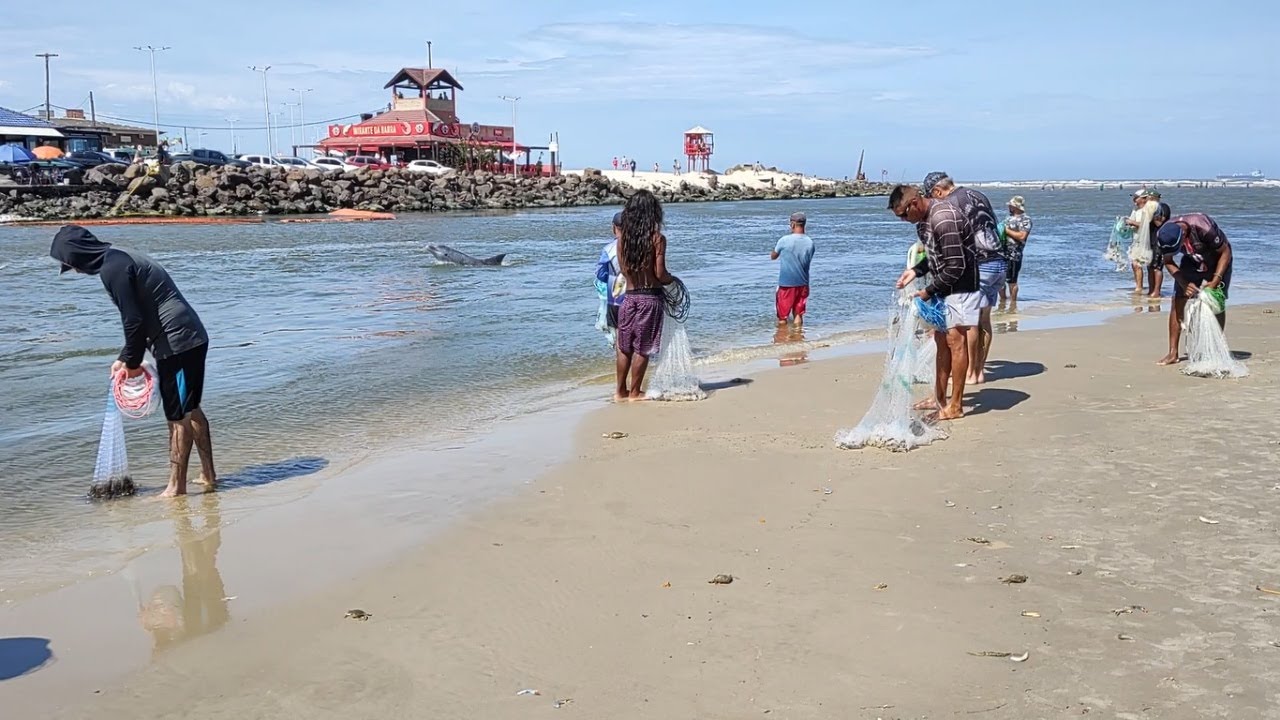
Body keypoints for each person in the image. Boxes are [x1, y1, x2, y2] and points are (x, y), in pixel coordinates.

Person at [50, 225, 216, 497]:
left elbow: (133, 320)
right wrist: (124, 357)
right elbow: (141, 316)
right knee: (190, 408)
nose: (75, 271)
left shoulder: (112, 269)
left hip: (176, 343)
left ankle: (176, 488)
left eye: (71, 265)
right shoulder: (118, 257)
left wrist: (132, 363)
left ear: (78, 256)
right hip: (190, 336)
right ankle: (208, 474)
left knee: (177, 417)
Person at [890, 185, 979, 421]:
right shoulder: (922, 223)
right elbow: (934, 256)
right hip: (943, 283)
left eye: (903, 215)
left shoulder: (943, 218)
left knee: (955, 341)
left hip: (962, 285)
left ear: (915, 203)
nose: (903, 220)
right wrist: (915, 271)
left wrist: (928, 291)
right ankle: (939, 398)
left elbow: (956, 265)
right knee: (941, 340)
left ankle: (956, 405)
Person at [923, 172, 1001, 384]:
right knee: (984, 319)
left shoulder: (950, 203)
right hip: (997, 262)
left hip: (978, 264)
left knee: (969, 321)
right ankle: (979, 371)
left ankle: (969, 373)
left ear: (938, 191)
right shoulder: (978, 195)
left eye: (931, 196)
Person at [614, 190, 673, 401]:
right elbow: (660, 274)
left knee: (624, 347)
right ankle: (635, 392)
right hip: (650, 298)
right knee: (643, 347)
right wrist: (674, 281)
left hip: (629, 298)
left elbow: (624, 271)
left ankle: (620, 392)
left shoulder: (622, 240)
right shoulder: (657, 239)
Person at [1155, 213, 1233, 366]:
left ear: (1184, 234)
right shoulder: (1163, 235)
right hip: (1191, 260)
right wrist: (1183, 282)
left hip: (1217, 258)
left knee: (1216, 301)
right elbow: (1168, 261)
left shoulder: (1203, 227)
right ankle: (1173, 353)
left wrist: (1216, 280)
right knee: (1177, 301)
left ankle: (1214, 347)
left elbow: (1225, 252)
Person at [771, 211, 815, 328]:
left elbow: (773, 256)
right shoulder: (810, 242)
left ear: (792, 224)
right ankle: (798, 335)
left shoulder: (784, 240)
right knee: (798, 314)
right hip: (803, 283)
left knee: (782, 316)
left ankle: (782, 336)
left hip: (786, 283)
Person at [594, 212, 626, 345]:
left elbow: (600, 273)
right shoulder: (641, 245)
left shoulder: (609, 249)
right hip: (638, 290)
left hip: (617, 289)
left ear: (614, 227)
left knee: (618, 334)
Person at [999, 196, 1033, 313]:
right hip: (1001, 253)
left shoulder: (1026, 220)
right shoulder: (1008, 219)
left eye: (1010, 205)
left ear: (1015, 206)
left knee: (1012, 281)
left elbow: (1022, 236)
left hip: (1014, 254)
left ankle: (1013, 305)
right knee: (999, 280)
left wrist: (1006, 230)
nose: (1009, 207)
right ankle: (1002, 302)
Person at [1124, 189, 1159, 293]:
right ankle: (1139, 287)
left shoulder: (1149, 210)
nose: (1134, 199)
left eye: (1136, 197)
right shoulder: (1135, 211)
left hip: (1148, 242)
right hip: (1136, 241)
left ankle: (1150, 289)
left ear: (1144, 198)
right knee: (1135, 264)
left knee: (1148, 266)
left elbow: (1147, 225)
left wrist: (1132, 222)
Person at [1145, 194, 1170, 297]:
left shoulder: (1163, 207)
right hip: (1150, 240)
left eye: (1149, 198)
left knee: (1157, 267)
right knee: (1149, 267)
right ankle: (1151, 290)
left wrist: (1151, 215)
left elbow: (1159, 223)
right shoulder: (1147, 209)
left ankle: (1156, 291)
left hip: (1160, 241)